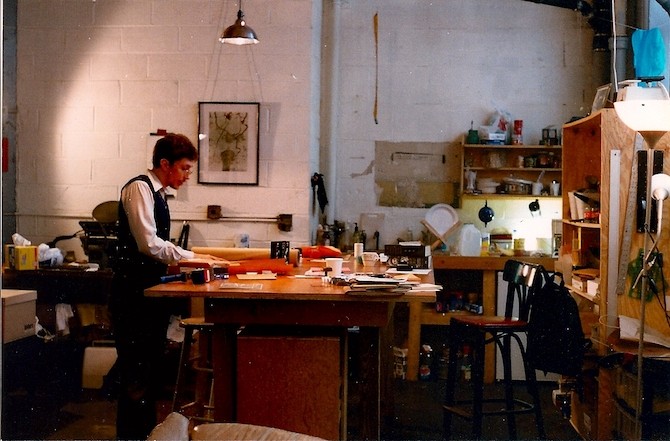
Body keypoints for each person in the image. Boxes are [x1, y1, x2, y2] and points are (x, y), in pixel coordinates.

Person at [110, 133, 225, 439]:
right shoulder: (140, 188)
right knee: (136, 378)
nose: (188, 175)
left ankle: (147, 437)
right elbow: (149, 244)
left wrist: (190, 260)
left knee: (146, 375)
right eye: (185, 168)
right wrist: (193, 257)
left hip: (148, 296)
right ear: (165, 164)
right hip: (132, 296)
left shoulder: (159, 193)